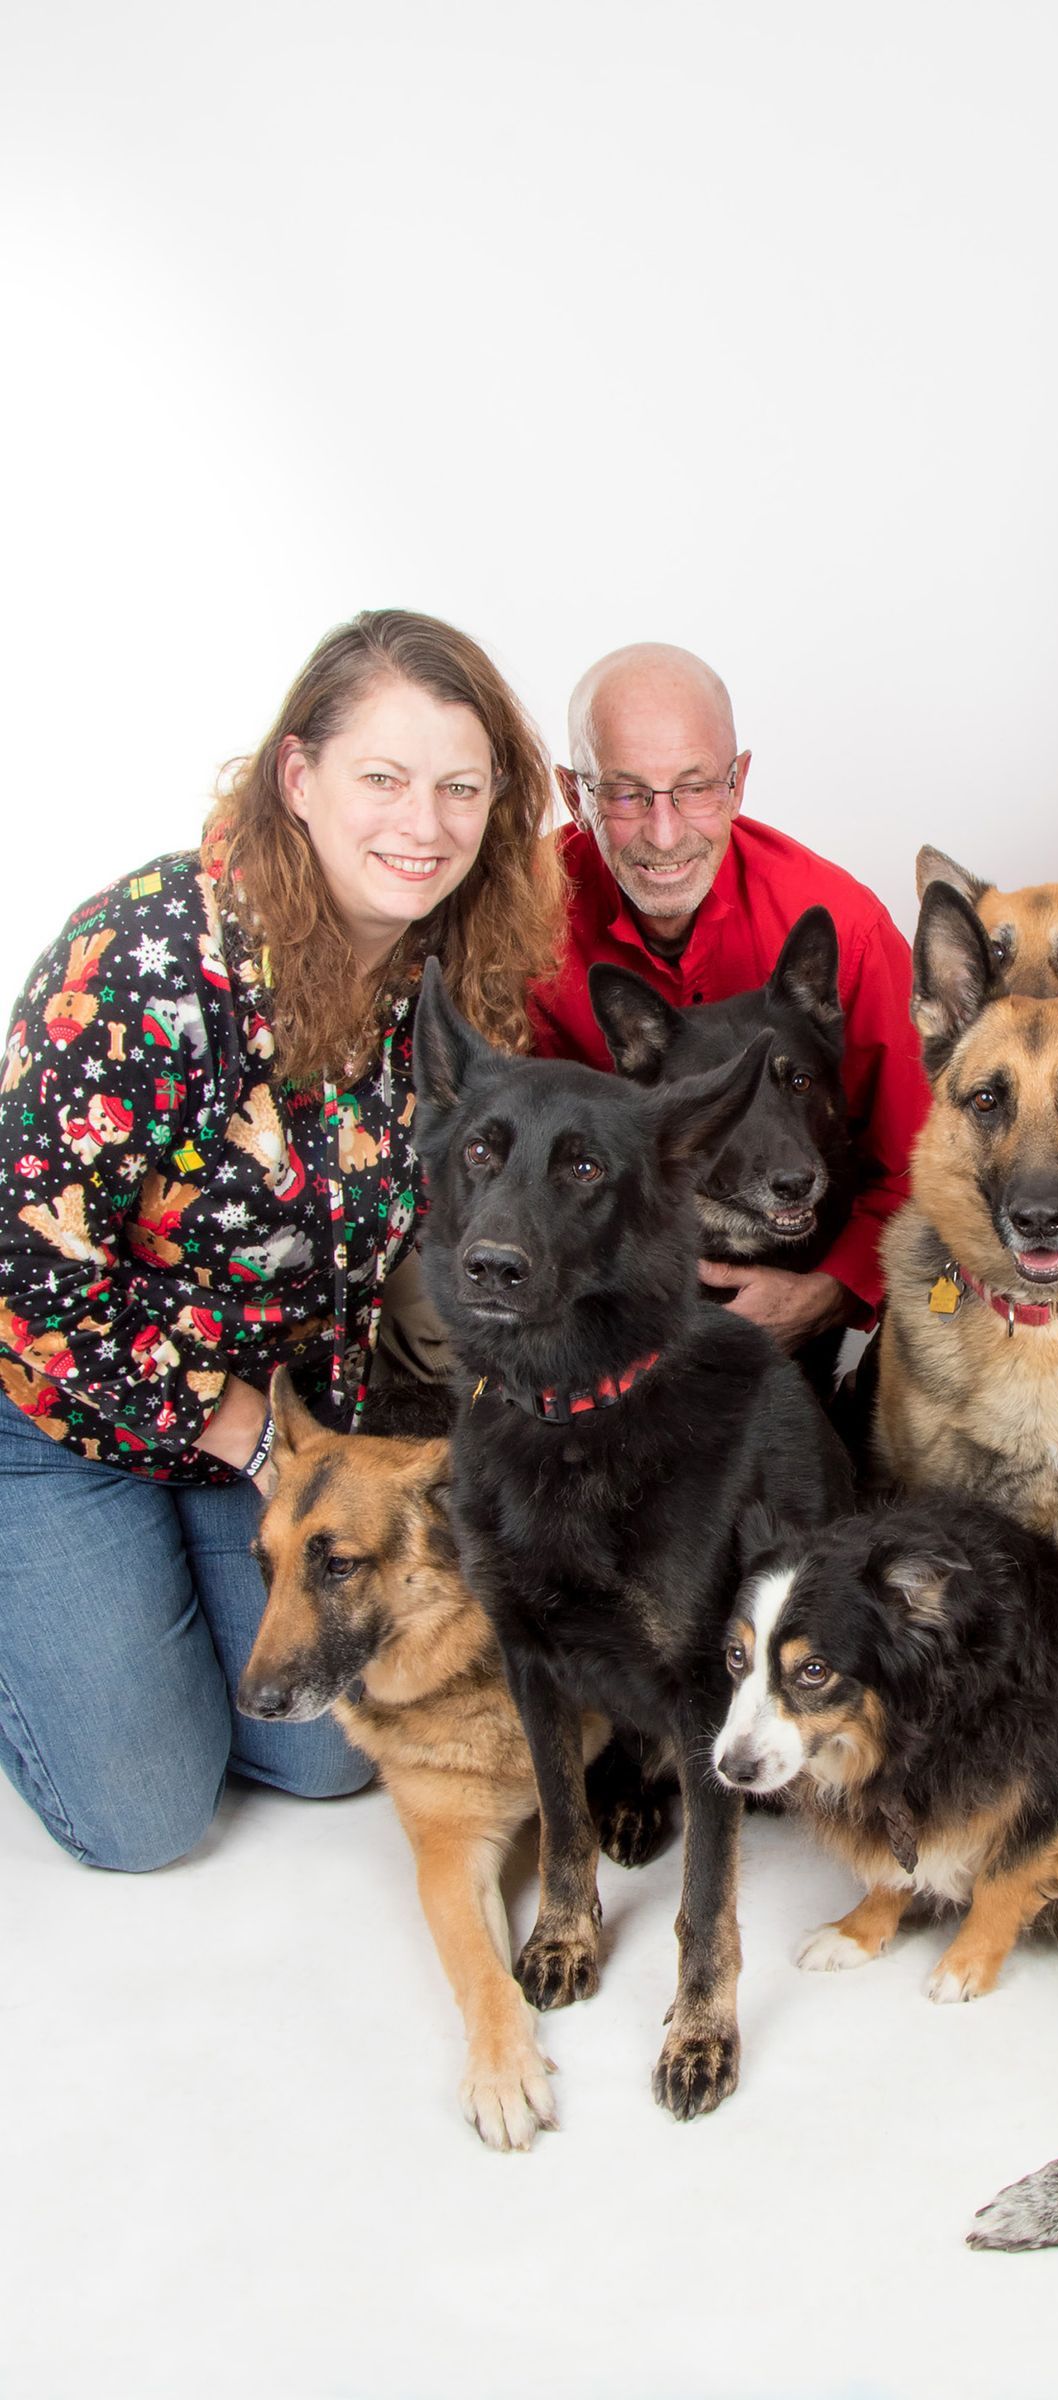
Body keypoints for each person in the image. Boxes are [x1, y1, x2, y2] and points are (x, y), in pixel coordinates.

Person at [0, 609, 562, 1870]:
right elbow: (21, 1270)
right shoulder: (149, 960)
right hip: (58, 1404)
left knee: (321, 1754)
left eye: (460, 789)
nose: (423, 824)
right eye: (384, 779)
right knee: (144, 1820)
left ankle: (146, 1617)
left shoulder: (451, 973)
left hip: (286, 1417)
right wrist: (243, 1434)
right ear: (297, 778)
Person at [528, 642, 926, 1351]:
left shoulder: (845, 925)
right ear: (572, 793)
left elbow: (919, 1163)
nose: (665, 832)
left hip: (797, 1306)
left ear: (738, 782)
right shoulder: (517, 927)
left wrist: (830, 1291)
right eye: (625, 793)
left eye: (696, 787)